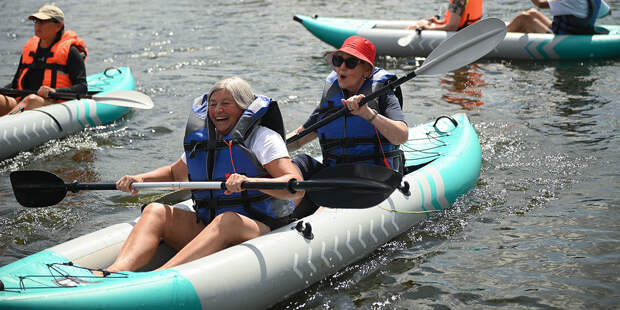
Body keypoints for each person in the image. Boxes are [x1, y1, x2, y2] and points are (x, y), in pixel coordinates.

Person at [95, 77, 303, 275]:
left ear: (244, 106)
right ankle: (115, 271)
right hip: (209, 225)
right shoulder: (203, 141)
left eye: (226, 103)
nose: (217, 110)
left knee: (227, 220)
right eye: (212, 104)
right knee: (154, 210)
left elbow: (293, 182)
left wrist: (250, 182)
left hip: (260, 228)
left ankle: (161, 275)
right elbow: (174, 173)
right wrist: (140, 179)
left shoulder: (263, 138)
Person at [287, 36, 409, 217]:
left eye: (351, 62)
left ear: (367, 71)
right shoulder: (332, 97)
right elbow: (300, 138)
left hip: (372, 177)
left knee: (340, 188)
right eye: (338, 60)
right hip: (333, 174)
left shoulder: (383, 93)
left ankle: (317, 220)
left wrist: (367, 113)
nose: (341, 67)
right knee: (299, 162)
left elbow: (401, 136)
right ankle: (280, 211)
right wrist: (265, 149)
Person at [0, 4, 87, 117]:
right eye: (36, 21)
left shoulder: (71, 52)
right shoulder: (29, 48)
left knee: (32, 100)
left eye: (43, 21)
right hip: (24, 103)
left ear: (58, 26)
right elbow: (16, 83)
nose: (37, 25)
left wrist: (54, 91)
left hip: (54, 105)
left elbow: (82, 88)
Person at [506, 0, 611, 34]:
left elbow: (540, 4)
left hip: (563, 36)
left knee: (525, 18)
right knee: (532, 13)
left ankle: (498, 39)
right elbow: (607, 12)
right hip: (582, 31)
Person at [407, 0, 484, 31]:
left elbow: (452, 27)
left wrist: (427, 27)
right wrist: (440, 22)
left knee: (418, 25)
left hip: (460, 34)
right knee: (421, 22)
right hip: (472, 31)